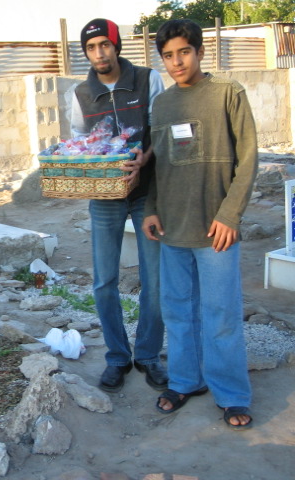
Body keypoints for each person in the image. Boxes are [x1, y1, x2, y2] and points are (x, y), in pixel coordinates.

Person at [143, 19, 256, 430]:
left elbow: (249, 159)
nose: (177, 62)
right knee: (177, 311)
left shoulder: (228, 93)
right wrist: (151, 208)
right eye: (168, 56)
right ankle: (186, 381)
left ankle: (232, 394)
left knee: (221, 314)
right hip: (172, 228)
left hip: (216, 231)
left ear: (200, 52)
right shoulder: (162, 104)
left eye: (184, 52)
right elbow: (158, 165)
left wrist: (230, 215)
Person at [71, 18, 167, 392]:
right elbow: (80, 143)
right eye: (91, 47)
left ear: (116, 45)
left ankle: (148, 355)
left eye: (104, 45)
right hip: (104, 199)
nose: (99, 53)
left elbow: (161, 129)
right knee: (104, 281)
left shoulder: (147, 79)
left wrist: (144, 159)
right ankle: (117, 357)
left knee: (154, 280)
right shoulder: (81, 93)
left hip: (147, 195)